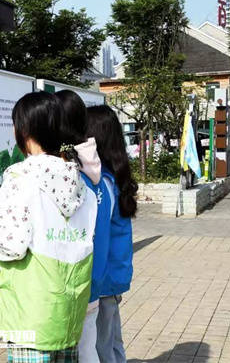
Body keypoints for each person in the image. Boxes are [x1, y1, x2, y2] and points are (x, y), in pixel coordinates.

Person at [0, 91, 97, 362]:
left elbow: (13, 244)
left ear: (25, 130)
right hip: (68, 310)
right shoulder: (82, 186)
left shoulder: (20, 178)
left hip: (30, 310)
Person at [56, 90, 112, 363]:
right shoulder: (94, 168)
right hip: (93, 278)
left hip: (67, 282)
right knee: (88, 350)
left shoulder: (64, 172)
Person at [86, 105, 138, 363]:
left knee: (102, 345)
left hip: (103, 279)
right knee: (112, 340)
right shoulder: (115, 175)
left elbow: (97, 235)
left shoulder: (102, 183)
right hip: (114, 274)